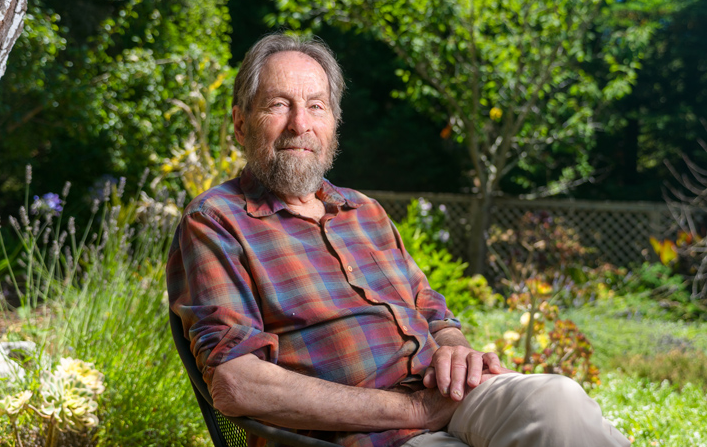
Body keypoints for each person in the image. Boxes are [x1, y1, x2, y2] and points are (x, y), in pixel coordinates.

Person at [166, 33, 630, 447]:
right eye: (278, 104)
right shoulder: (216, 222)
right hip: (367, 431)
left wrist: (454, 347)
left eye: (315, 105)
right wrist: (416, 411)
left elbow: (431, 309)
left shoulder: (364, 210)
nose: (299, 124)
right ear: (242, 122)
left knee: (558, 400)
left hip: (448, 396)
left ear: (333, 123)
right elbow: (237, 383)